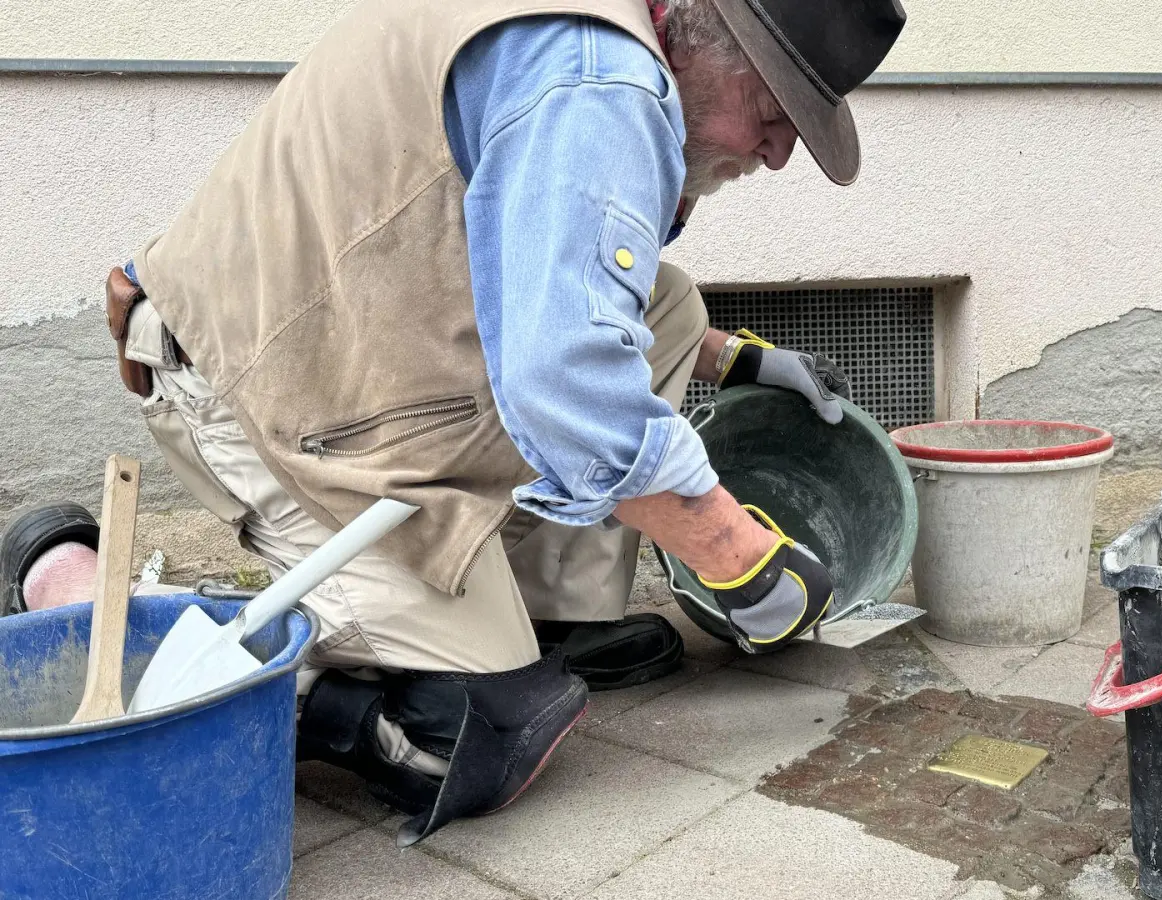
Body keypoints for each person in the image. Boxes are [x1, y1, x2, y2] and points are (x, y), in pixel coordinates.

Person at [0, 0, 906, 844]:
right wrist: (738, 556)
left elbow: (563, 289)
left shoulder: (600, 44)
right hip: (262, 393)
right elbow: (569, 385)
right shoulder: (599, 80)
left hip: (351, 356)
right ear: (691, 22)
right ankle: (76, 592)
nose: (778, 152)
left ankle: (558, 615)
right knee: (477, 729)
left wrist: (735, 359)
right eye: (772, 110)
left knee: (666, 304)